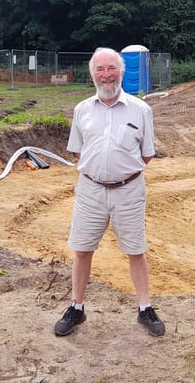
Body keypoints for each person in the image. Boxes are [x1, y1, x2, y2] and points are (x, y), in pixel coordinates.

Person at [54, 47, 165, 338]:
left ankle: (145, 308)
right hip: (90, 190)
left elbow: (148, 155)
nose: (106, 75)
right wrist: (100, 174)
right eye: (100, 70)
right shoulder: (82, 110)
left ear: (122, 72)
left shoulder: (140, 110)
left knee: (135, 250)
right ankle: (76, 307)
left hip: (129, 191)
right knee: (82, 249)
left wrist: (121, 173)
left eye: (111, 69)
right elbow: (78, 151)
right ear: (92, 75)